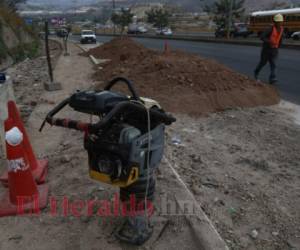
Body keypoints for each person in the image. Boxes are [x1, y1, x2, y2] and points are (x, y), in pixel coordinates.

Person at [254, 14, 284, 84]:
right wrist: (269, 41)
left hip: (274, 50)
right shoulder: (270, 29)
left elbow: (280, 38)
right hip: (266, 49)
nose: (279, 23)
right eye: (278, 22)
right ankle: (256, 72)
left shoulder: (281, 29)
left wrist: (278, 46)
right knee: (263, 63)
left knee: (273, 64)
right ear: (275, 22)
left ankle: (272, 78)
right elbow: (262, 37)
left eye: (280, 22)